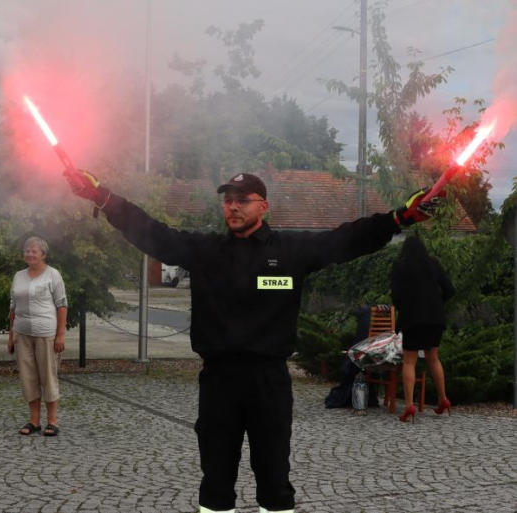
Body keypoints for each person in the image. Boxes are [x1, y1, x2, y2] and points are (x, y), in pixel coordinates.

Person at [63, 169, 441, 513]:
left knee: (275, 481)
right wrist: (105, 199)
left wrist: (399, 218)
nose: (233, 206)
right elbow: (151, 232)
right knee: (215, 483)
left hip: (269, 381)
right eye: (227, 200)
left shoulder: (290, 252)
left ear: (263, 205)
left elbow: (346, 239)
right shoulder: (204, 251)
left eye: (242, 200)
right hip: (218, 382)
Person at [390, 235, 455, 423]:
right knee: (433, 358)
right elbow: (450, 290)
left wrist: (407, 307)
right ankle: (443, 399)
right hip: (435, 318)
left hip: (412, 319)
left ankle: (410, 405)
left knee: (409, 361)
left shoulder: (400, 266)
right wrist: (436, 304)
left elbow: (396, 296)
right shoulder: (433, 263)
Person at [8, 236, 68, 437]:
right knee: (28, 378)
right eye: (27, 250)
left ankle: (52, 421)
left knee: (48, 377)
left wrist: (60, 335)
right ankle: (34, 421)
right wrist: (11, 336)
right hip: (22, 333)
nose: (30, 254)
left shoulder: (53, 275)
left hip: (46, 333)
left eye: (34, 251)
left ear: (43, 254)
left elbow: (62, 305)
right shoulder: (18, 276)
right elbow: (13, 307)